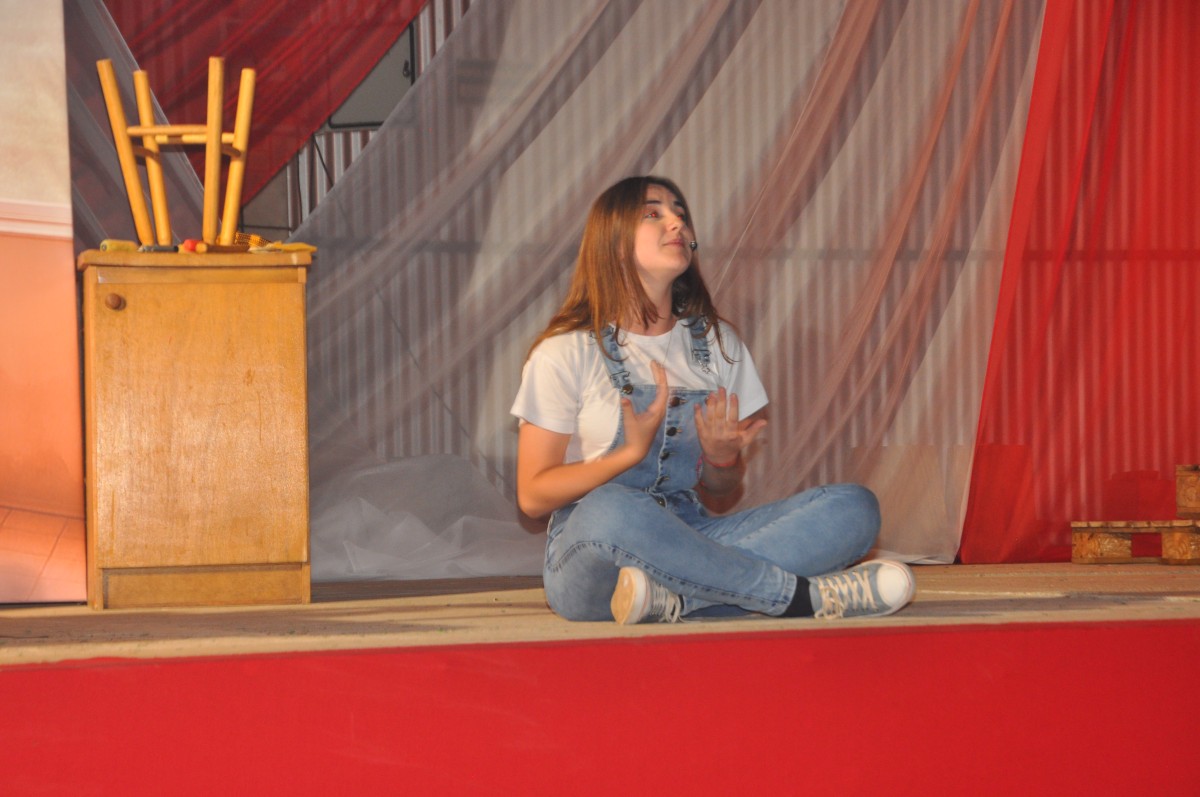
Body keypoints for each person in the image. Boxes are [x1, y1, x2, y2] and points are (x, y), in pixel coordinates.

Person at [510, 175, 914, 624]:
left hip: (694, 533)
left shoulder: (719, 344)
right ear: (615, 242)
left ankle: (680, 600)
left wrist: (722, 461)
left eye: (680, 213)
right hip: (591, 559)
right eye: (653, 213)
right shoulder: (565, 351)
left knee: (853, 507)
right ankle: (799, 597)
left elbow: (720, 490)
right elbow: (533, 496)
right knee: (611, 506)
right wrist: (626, 455)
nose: (676, 223)